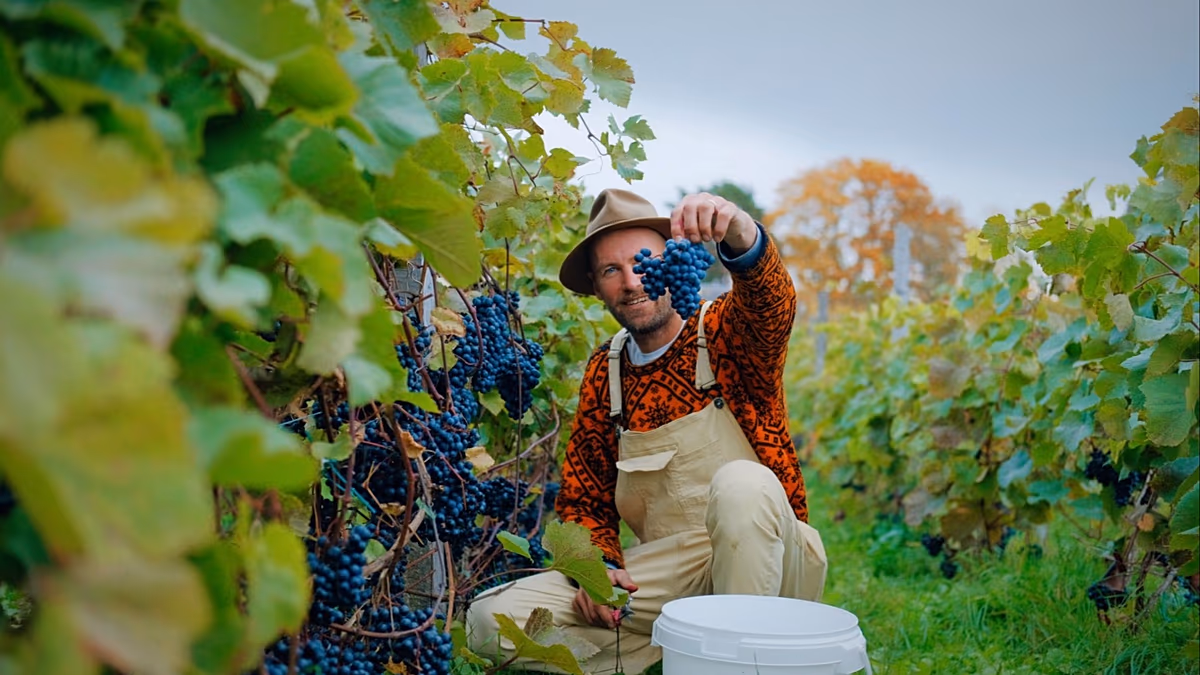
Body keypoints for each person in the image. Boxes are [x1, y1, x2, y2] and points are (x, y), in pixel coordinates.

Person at [467, 188, 827, 674]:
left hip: (774, 562)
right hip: (671, 574)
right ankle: (670, 656)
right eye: (611, 271)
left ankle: (739, 659)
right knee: (490, 619)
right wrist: (596, 574)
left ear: (668, 262)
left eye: (642, 262)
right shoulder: (605, 371)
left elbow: (771, 304)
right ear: (596, 287)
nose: (632, 281)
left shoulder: (723, 332)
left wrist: (738, 227)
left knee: (743, 485)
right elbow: (583, 499)